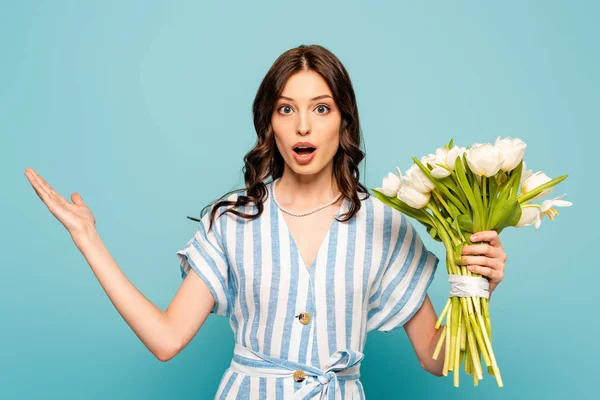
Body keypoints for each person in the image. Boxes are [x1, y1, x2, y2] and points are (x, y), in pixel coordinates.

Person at [24, 44, 508, 399]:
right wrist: (87, 238)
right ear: (269, 123)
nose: (303, 126)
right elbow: (166, 340)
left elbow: (435, 359)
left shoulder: (384, 223)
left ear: (344, 121)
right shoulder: (231, 221)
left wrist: (477, 286)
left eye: (321, 108)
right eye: (286, 109)